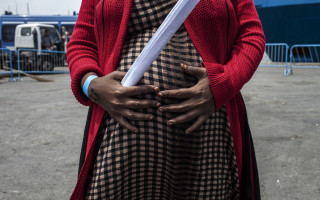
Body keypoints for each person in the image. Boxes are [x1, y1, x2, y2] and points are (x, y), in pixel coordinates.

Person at [67, 0, 265, 199]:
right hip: (120, 134)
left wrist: (224, 84)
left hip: (206, 130)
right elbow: (81, 44)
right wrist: (90, 84)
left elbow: (252, 37)